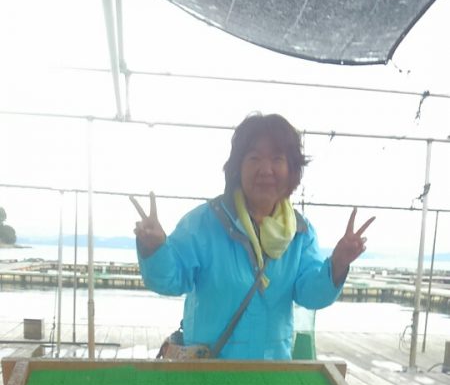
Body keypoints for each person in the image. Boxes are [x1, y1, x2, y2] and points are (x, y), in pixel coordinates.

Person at [135, 112, 375, 360]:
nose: (266, 170)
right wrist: (154, 249)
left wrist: (338, 264)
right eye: (254, 158)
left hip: (271, 372)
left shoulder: (300, 233)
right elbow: (170, 281)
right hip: (208, 371)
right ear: (237, 168)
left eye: (277, 159)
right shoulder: (202, 223)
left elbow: (311, 295)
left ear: (292, 170)